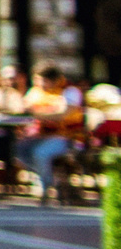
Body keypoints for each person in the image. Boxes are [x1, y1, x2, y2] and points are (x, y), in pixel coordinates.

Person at [18, 63, 84, 204]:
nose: (38, 84)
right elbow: (23, 107)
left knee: (40, 153)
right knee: (18, 150)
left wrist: (37, 114)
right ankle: (47, 178)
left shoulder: (70, 92)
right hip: (40, 136)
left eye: (41, 80)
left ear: (53, 80)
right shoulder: (36, 91)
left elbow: (63, 114)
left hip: (67, 138)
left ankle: (46, 185)